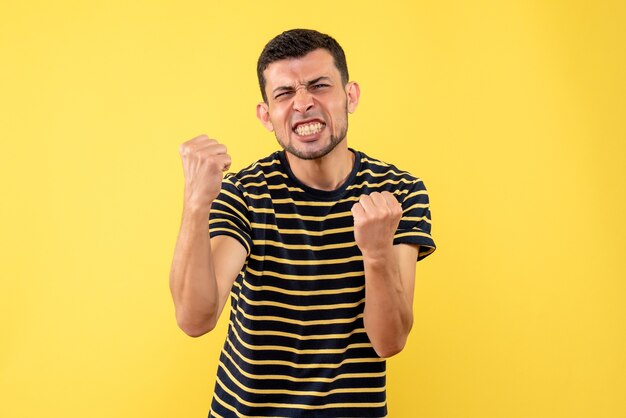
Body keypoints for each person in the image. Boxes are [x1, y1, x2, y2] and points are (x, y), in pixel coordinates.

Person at [170, 29, 436, 418]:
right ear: (266, 115)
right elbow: (195, 319)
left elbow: (389, 342)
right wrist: (195, 203)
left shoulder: (397, 192)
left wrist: (377, 254)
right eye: (284, 93)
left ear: (351, 96)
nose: (303, 103)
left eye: (319, 85)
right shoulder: (246, 192)